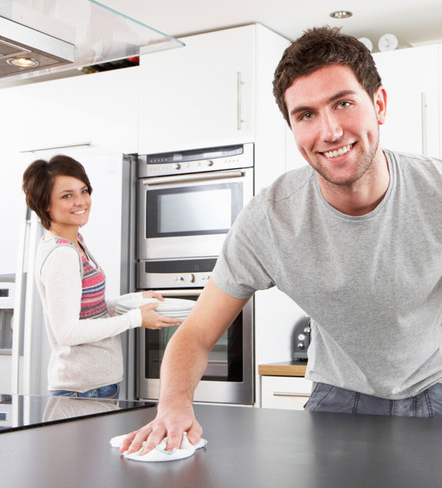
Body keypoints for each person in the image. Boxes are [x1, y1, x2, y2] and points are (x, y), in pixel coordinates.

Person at [121, 26, 442, 454]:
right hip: (339, 397)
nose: (329, 131)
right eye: (306, 115)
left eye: (343, 103)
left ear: (379, 104)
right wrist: (173, 405)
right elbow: (196, 332)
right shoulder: (270, 219)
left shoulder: (436, 191)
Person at [22, 155, 181, 399]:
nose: (81, 201)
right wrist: (135, 318)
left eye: (84, 191)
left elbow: (88, 309)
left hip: (94, 385)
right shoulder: (62, 255)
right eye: (67, 196)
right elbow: (67, 331)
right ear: (45, 204)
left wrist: (134, 299)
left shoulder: (74, 242)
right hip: (83, 388)